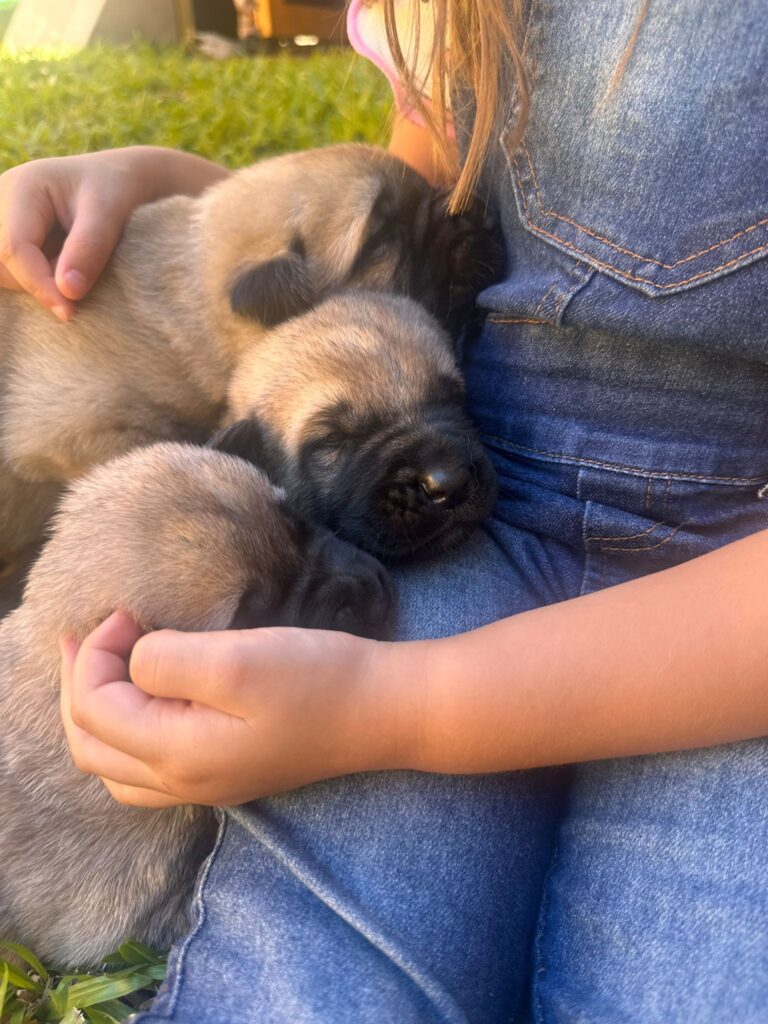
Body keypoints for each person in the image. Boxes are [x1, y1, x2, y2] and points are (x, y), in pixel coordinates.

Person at [2, 1, 767, 1020]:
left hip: (728, 604)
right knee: (317, 987)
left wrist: (405, 707)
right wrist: (174, 211)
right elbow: (393, 210)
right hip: (469, 537)